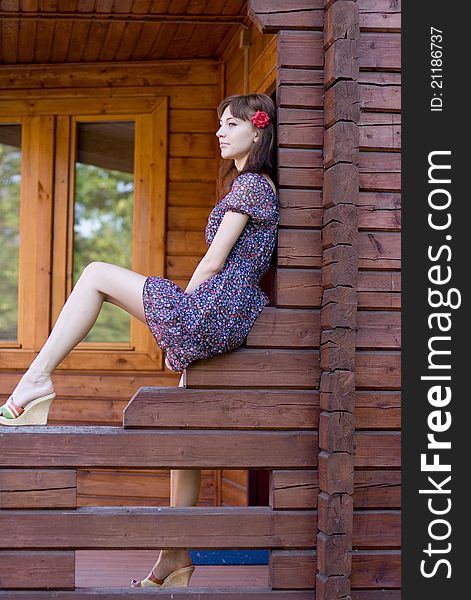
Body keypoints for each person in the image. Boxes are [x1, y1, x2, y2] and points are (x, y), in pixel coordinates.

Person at [0, 92, 279, 588]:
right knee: (183, 435)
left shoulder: (253, 185)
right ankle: (174, 556)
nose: (220, 131)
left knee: (94, 274)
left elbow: (214, 262)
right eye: (218, 123)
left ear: (258, 131)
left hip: (215, 309)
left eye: (232, 123)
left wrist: (183, 307)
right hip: (232, 316)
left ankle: (36, 380)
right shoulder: (250, 186)